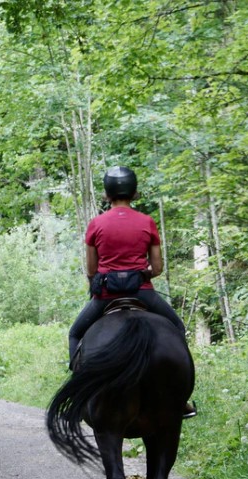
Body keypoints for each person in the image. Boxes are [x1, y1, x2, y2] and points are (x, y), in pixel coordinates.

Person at [68, 166, 196, 418]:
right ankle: (181, 399)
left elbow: (92, 270)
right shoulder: (147, 222)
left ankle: (79, 394)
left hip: (106, 295)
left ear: (107, 194)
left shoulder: (96, 224)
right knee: (177, 329)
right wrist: (141, 274)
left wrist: (102, 282)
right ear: (134, 192)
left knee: (75, 334)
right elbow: (157, 267)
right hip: (142, 292)